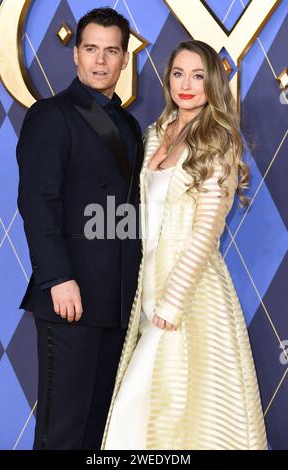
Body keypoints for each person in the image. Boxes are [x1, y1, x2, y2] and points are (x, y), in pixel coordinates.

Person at [102, 40, 267, 450]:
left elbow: (206, 233)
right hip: (149, 287)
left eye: (198, 76)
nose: (187, 84)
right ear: (168, 80)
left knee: (177, 409)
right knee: (150, 410)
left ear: (212, 82)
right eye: (178, 74)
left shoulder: (219, 142)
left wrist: (171, 304)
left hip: (191, 296)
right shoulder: (157, 133)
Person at [16, 8, 143, 450]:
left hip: (118, 298)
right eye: (91, 49)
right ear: (75, 54)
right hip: (70, 296)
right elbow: (37, 202)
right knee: (62, 433)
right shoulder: (52, 115)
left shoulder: (129, 124)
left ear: (125, 59)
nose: (100, 60)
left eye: (112, 50)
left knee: (100, 434)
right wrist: (56, 277)